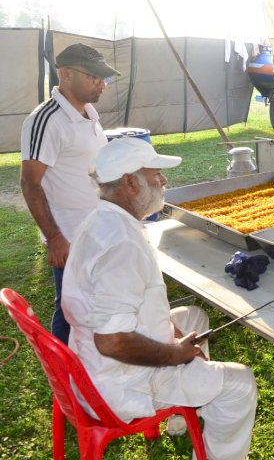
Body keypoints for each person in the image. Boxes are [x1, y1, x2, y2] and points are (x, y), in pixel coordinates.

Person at [61, 137, 257, 459]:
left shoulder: (102, 218)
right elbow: (111, 342)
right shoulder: (122, 245)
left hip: (91, 364)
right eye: (156, 175)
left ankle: (184, 410)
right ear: (130, 183)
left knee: (194, 317)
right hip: (119, 382)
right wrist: (175, 354)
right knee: (241, 383)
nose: (163, 180)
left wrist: (177, 342)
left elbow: (123, 313)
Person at [20, 43, 120, 344]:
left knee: (97, 303)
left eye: (104, 78)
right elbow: (30, 183)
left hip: (97, 229)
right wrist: (54, 237)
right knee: (70, 310)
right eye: (94, 77)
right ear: (65, 75)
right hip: (71, 236)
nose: (102, 84)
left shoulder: (89, 112)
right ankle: (63, 379)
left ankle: (90, 366)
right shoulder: (46, 119)